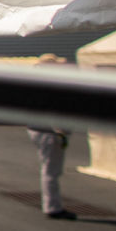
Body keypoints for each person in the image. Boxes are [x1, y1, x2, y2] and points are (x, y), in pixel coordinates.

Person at [26, 54, 76, 220]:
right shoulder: (50, 86)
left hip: (34, 128)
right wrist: (62, 132)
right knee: (51, 171)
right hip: (49, 131)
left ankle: (52, 205)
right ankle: (52, 206)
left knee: (48, 168)